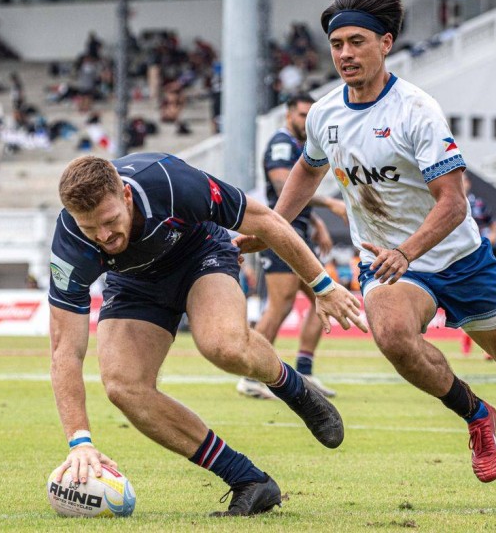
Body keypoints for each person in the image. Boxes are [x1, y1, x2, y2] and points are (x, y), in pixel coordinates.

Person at [248, 0, 496, 505]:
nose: (345, 54)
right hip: (389, 264)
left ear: (385, 43)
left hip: (461, 260)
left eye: (356, 42)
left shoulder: (417, 110)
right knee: (392, 335)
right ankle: (476, 414)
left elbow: (454, 202)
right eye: (337, 44)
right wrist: (272, 226)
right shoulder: (324, 114)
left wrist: (407, 250)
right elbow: (307, 170)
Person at [47, 154, 365, 517]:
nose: (104, 237)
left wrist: (323, 286)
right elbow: (65, 351)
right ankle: (248, 479)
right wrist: (80, 442)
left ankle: (294, 389)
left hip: (200, 255)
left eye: (110, 221)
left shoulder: (169, 181)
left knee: (223, 346)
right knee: (123, 386)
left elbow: (266, 220)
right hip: (135, 283)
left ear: (126, 196)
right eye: (91, 228)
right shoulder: (69, 245)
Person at [237, 93, 349, 401]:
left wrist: (317, 223)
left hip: (298, 232)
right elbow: (285, 187)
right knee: (281, 304)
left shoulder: (300, 146)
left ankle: (305, 370)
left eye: (310, 115)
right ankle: (251, 375)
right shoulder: (281, 144)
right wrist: (330, 204)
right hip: (280, 233)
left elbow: (298, 198)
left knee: (325, 296)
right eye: (302, 114)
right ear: (288, 115)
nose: (306, 120)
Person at [461, 173, 496, 356]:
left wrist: (488, 243)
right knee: (467, 302)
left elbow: (494, 227)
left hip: (479, 259)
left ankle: (488, 347)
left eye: (462, 180)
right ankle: (468, 342)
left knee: (485, 299)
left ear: (468, 183)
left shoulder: (478, 204)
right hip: (459, 260)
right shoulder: (445, 202)